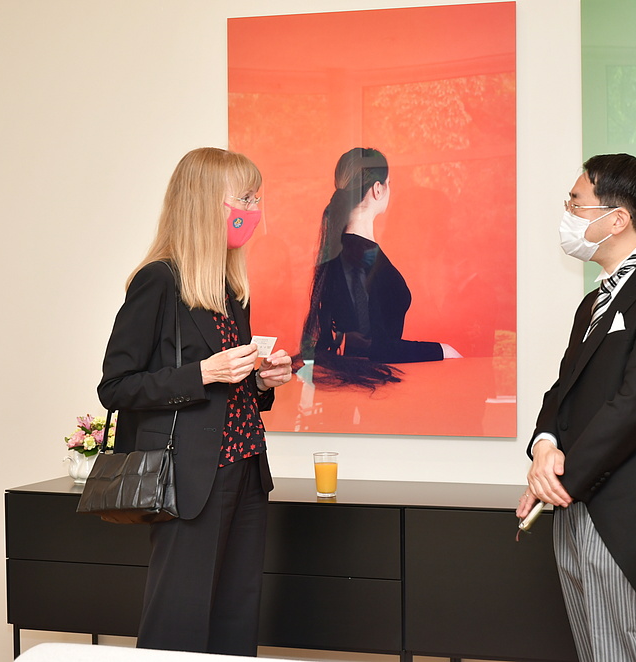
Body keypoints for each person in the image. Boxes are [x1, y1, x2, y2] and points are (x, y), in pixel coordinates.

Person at [97, 147, 292, 655]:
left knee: (235, 617)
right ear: (205, 202)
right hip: (188, 480)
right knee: (178, 622)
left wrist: (262, 381)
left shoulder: (231, 288)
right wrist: (202, 373)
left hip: (246, 471)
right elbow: (116, 386)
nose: (253, 209)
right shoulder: (158, 280)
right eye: (244, 198)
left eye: (256, 197)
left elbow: (232, 389)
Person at [517, 154, 636, 661]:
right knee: (595, 650)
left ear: (617, 219)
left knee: (631, 649)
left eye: (576, 203)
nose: (567, 214)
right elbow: (563, 392)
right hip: (577, 506)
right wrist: (543, 449)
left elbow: (635, 408)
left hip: (632, 519)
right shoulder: (594, 302)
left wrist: (555, 482)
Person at [299, 147, 460, 388]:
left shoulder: (349, 252)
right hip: (366, 389)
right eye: (388, 184)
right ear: (377, 189)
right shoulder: (355, 257)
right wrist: (442, 350)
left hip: (368, 384)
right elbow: (374, 346)